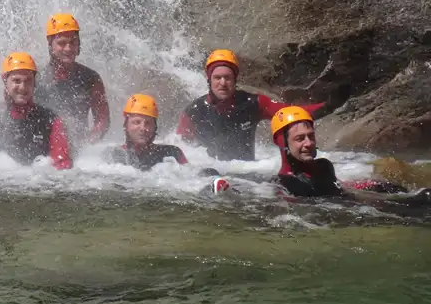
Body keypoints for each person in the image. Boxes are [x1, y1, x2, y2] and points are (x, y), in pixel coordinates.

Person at [177, 49, 349, 161]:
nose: (223, 83)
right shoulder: (194, 110)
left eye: (228, 78)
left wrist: (327, 106)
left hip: (247, 173)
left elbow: (290, 113)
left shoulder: (253, 103)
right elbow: (182, 147)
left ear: (235, 81)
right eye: (217, 78)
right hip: (209, 174)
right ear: (209, 80)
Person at [270, 107, 430, 206]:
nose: (308, 143)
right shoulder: (285, 184)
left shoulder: (323, 166)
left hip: (359, 206)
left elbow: (341, 186)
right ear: (281, 142)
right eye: (300, 139)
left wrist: (375, 185)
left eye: (311, 136)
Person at [0, 52, 72, 169]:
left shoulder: (52, 121)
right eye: (17, 81)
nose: (22, 87)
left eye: (28, 81)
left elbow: (62, 165)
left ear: (34, 84)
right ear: (5, 83)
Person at [35, 13, 110, 149]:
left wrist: (87, 145)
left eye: (73, 42)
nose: (68, 48)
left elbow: (102, 121)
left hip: (79, 149)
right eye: (62, 43)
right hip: (44, 150)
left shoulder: (91, 78)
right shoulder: (37, 79)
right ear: (50, 44)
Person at [106, 94, 189, 170]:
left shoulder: (172, 153)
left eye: (148, 123)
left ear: (155, 127)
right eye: (137, 122)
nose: (143, 128)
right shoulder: (114, 155)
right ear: (126, 126)